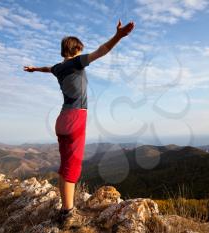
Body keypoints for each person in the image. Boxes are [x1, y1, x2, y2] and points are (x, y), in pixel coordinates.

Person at [23, 19, 135, 228]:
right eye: (80, 49)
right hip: (75, 118)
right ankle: (68, 214)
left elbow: (48, 68)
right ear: (76, 50)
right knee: (71, 168)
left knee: (66, 166)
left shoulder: (58, 68)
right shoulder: (76, 63)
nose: (83, 52)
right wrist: (118, 37)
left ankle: (65, 209)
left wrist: (34, 69)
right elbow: (101, 51)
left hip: (62, 119)